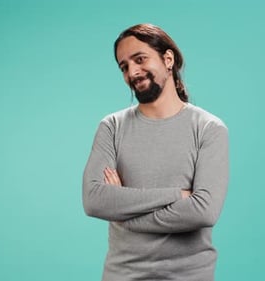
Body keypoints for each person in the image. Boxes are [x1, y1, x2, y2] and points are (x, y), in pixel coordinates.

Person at [82, 23, 229, 281]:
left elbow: (203, 211)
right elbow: (94, 200)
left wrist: (123, 213)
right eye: (124, 66)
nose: (133, 72)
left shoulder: (208, 128)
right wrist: (177, 195)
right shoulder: (112, 127)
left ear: (168, 59)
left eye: (140, 59)